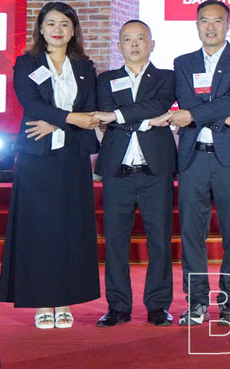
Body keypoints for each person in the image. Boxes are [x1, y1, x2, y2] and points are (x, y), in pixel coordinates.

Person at [0, 1, 101, 329]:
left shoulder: (84, 66)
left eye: (65, 24)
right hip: (36, 159)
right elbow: (31, 103)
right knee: (39, 230)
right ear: (41, 28)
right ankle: (42, 301)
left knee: (70, 229)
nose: (58, 29)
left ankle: (65, 300)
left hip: (73, 157)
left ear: (73, 31)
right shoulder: (26, 63)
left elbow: (90, 108)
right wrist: (70, 118)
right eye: (51, 23)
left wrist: (58, 122)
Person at [171, 0, 230, 326]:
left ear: (228, 24)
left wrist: (195, 115)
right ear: (196, 25)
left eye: (217, 20)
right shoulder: (183, 62)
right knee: (192, 233)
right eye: (204, 20)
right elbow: (186, 100)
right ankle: (196, 302)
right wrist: (218, 116)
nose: (210, 26)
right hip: (192, 157)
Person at [94, 20, 179, 327]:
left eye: (140, 38)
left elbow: (158, 104)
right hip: (117, 172)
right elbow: (107, 111)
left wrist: (119, 117)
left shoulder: (167, 77)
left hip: (155, 171)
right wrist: (148, 121)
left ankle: (158, 306)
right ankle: (118, 306)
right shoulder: (106, 79)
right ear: (119, 45)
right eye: (127, 39)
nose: (134, 44)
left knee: (160, 241)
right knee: (115, 242)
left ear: (151, 44)